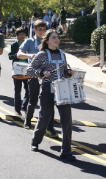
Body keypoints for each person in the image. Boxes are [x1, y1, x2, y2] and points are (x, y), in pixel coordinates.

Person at [26, 29, 76, 161]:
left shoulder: (62, 54)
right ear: (47, 41)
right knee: (44, 117)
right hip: (48, 88)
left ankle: (66, 151)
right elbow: (29, 70)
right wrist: (42, 73)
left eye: (57, 37)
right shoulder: (41, 54)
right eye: (53, 37)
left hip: (62, 88)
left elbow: (64, 70)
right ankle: (35, 142)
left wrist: (69, 72)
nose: (56, 39)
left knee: (67, 120)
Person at [17, 20, 58, 138]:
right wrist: (30, 55)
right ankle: (28, 120)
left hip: (48, 76)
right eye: (39, 29)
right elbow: (19, 54)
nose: (42, 31)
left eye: (44, 29)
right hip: (34, 74)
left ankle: (50, 127)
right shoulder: (29, 41)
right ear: (34, 30)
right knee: (33, 99)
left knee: (50, 101)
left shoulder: (48, 41)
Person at [8, 27, 29, 116]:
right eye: (20, 34)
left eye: (24, 34)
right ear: (17, 36)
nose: (22, 36)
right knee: (17, 89)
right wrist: (18, 55)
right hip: (17, 69)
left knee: (29, 90)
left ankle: (24, 105)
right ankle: (17, 108)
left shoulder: (28, 44)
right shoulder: (14, 45)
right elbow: (10, 56)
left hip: (27, 69)